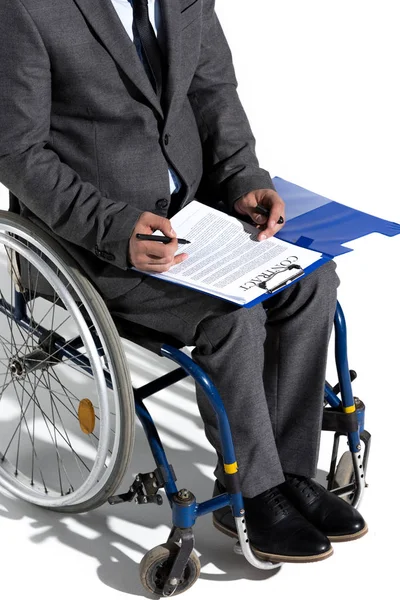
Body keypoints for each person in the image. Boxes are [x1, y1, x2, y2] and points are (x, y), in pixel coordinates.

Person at [0, 0, 367, 564]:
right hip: (93, 240)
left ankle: (292, 475)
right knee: (235, 319)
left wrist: (243, 177)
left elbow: (212, 90)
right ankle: (251, 495)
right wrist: (114, 228)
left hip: (196, 215)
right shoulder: (25, 9)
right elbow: (17, 152)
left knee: (312, 284)